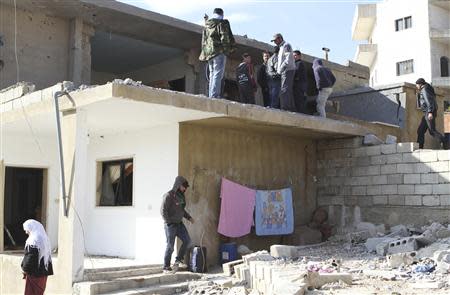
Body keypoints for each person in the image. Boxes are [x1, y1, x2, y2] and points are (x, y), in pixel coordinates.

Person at [199, 8, 236, 98]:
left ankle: (212, 95)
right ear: (222, 14)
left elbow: (204, 40)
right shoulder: (222, 23)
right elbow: (225, 37)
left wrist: (204, 53)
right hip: (219, 51)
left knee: (212, 74)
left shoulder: (207, 25)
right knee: (218, 74)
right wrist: (226, 50)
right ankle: (214, 95)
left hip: (209, 53)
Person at [161, 176, 194, 273]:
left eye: (186, 188)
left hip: (179, 224)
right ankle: (166, 267)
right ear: (179, 185)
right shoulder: (168, 195)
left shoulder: (181, 196)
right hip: (170, 225)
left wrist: (189, 218)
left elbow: (181, 210)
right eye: (184, 187)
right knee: (170, 246)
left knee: (187, 241)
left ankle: (178, 260)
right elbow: (163, 211)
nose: (185, 189)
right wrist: (169, 222)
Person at [21, 219, 53, 295]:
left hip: (34, 274)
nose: (26, 232)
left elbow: (31, 257)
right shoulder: (44, 238)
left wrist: (24, 269)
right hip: (43, 273)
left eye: (27, 229)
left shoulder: (34, 240)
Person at [415, 78, 445, 149]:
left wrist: (430, 112)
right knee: (420, 130)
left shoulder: (425, 90)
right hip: (426, 113)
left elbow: (429, 101)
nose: (416, 86)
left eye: (416, 85)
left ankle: (444, 141)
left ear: (420, 84)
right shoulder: (427, 88)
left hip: (428, 112)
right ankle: (420, 147)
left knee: (432, 131)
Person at [271, 33, 296, 112]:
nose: (275, 42)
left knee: (284, 89)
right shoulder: (281, 47)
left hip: (288, 70)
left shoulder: (286, 45)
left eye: (275, 40)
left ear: (280, 38)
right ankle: (291, 108)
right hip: (284, 71)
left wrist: (280, 69)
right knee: (287, 90)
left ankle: (286, 109)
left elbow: (287, 60)